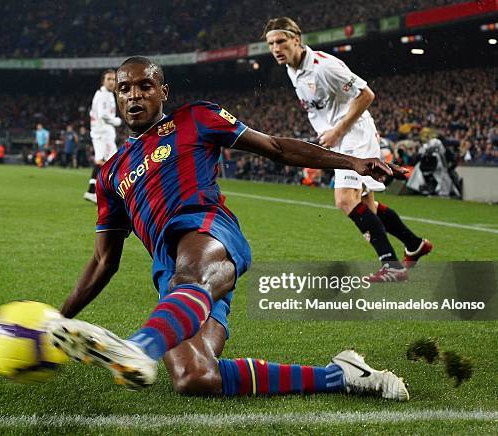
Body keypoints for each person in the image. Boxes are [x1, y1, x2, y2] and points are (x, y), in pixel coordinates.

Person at [48, 56, 409, 401]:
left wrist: (352, 162)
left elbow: (276, 148)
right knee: (195, 376)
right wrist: (57, 322)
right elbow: (103, 261)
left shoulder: (197, 117)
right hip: (170, 271)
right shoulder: (112, 171)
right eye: (125, 88)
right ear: (116, 96)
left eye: (145, 86)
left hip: (206, 229)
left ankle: (139, 346)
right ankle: (341, 374)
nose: (134, 95)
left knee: (188, 278)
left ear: (163, 92)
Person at [263, 17, 432, 281]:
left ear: (296, 39)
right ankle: (415, 244)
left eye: (281, 41)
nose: (275, 48)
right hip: (338, 138)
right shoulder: (292, 70)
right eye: (271, 43)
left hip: (355, 135)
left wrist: (338, 130)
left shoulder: (324, 66)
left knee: (344, 200)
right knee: (367, 205)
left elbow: (366, 95)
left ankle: (392, 266)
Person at [84, 69, 122, 202]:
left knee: (102, 161)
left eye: (113, 79)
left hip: (102, 131)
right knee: (113, 161)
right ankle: (110, 192)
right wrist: (116, 121)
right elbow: (102, 115)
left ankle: (92, 190)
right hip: (103, 131)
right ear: (103, 81)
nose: (112, 82)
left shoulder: (106, 94)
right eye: (109, 79)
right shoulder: (102, 95)